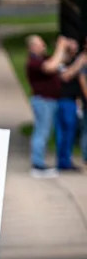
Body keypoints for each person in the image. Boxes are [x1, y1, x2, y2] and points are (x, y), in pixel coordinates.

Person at [26, 35, 83, 177]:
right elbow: (51, 67)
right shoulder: (33, 62)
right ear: (33, 47)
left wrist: (69, 51)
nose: (44, 47)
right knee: (42, 131)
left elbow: (61, 63)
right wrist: (60, 46)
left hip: (49, 101)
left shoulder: (43, 58)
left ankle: (39, 163)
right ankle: (37, 164)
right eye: (41, 45)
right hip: (43, 100)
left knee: (44, 131)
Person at [56, 39, 87, 171]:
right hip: (64, 100)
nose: (75, 46)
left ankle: (65, 160)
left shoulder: (75, 60)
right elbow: (66, 76)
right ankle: (63, 162)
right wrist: (79, 63)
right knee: (64, 132)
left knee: (70, 132)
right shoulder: (61, 62)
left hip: (73, 101)